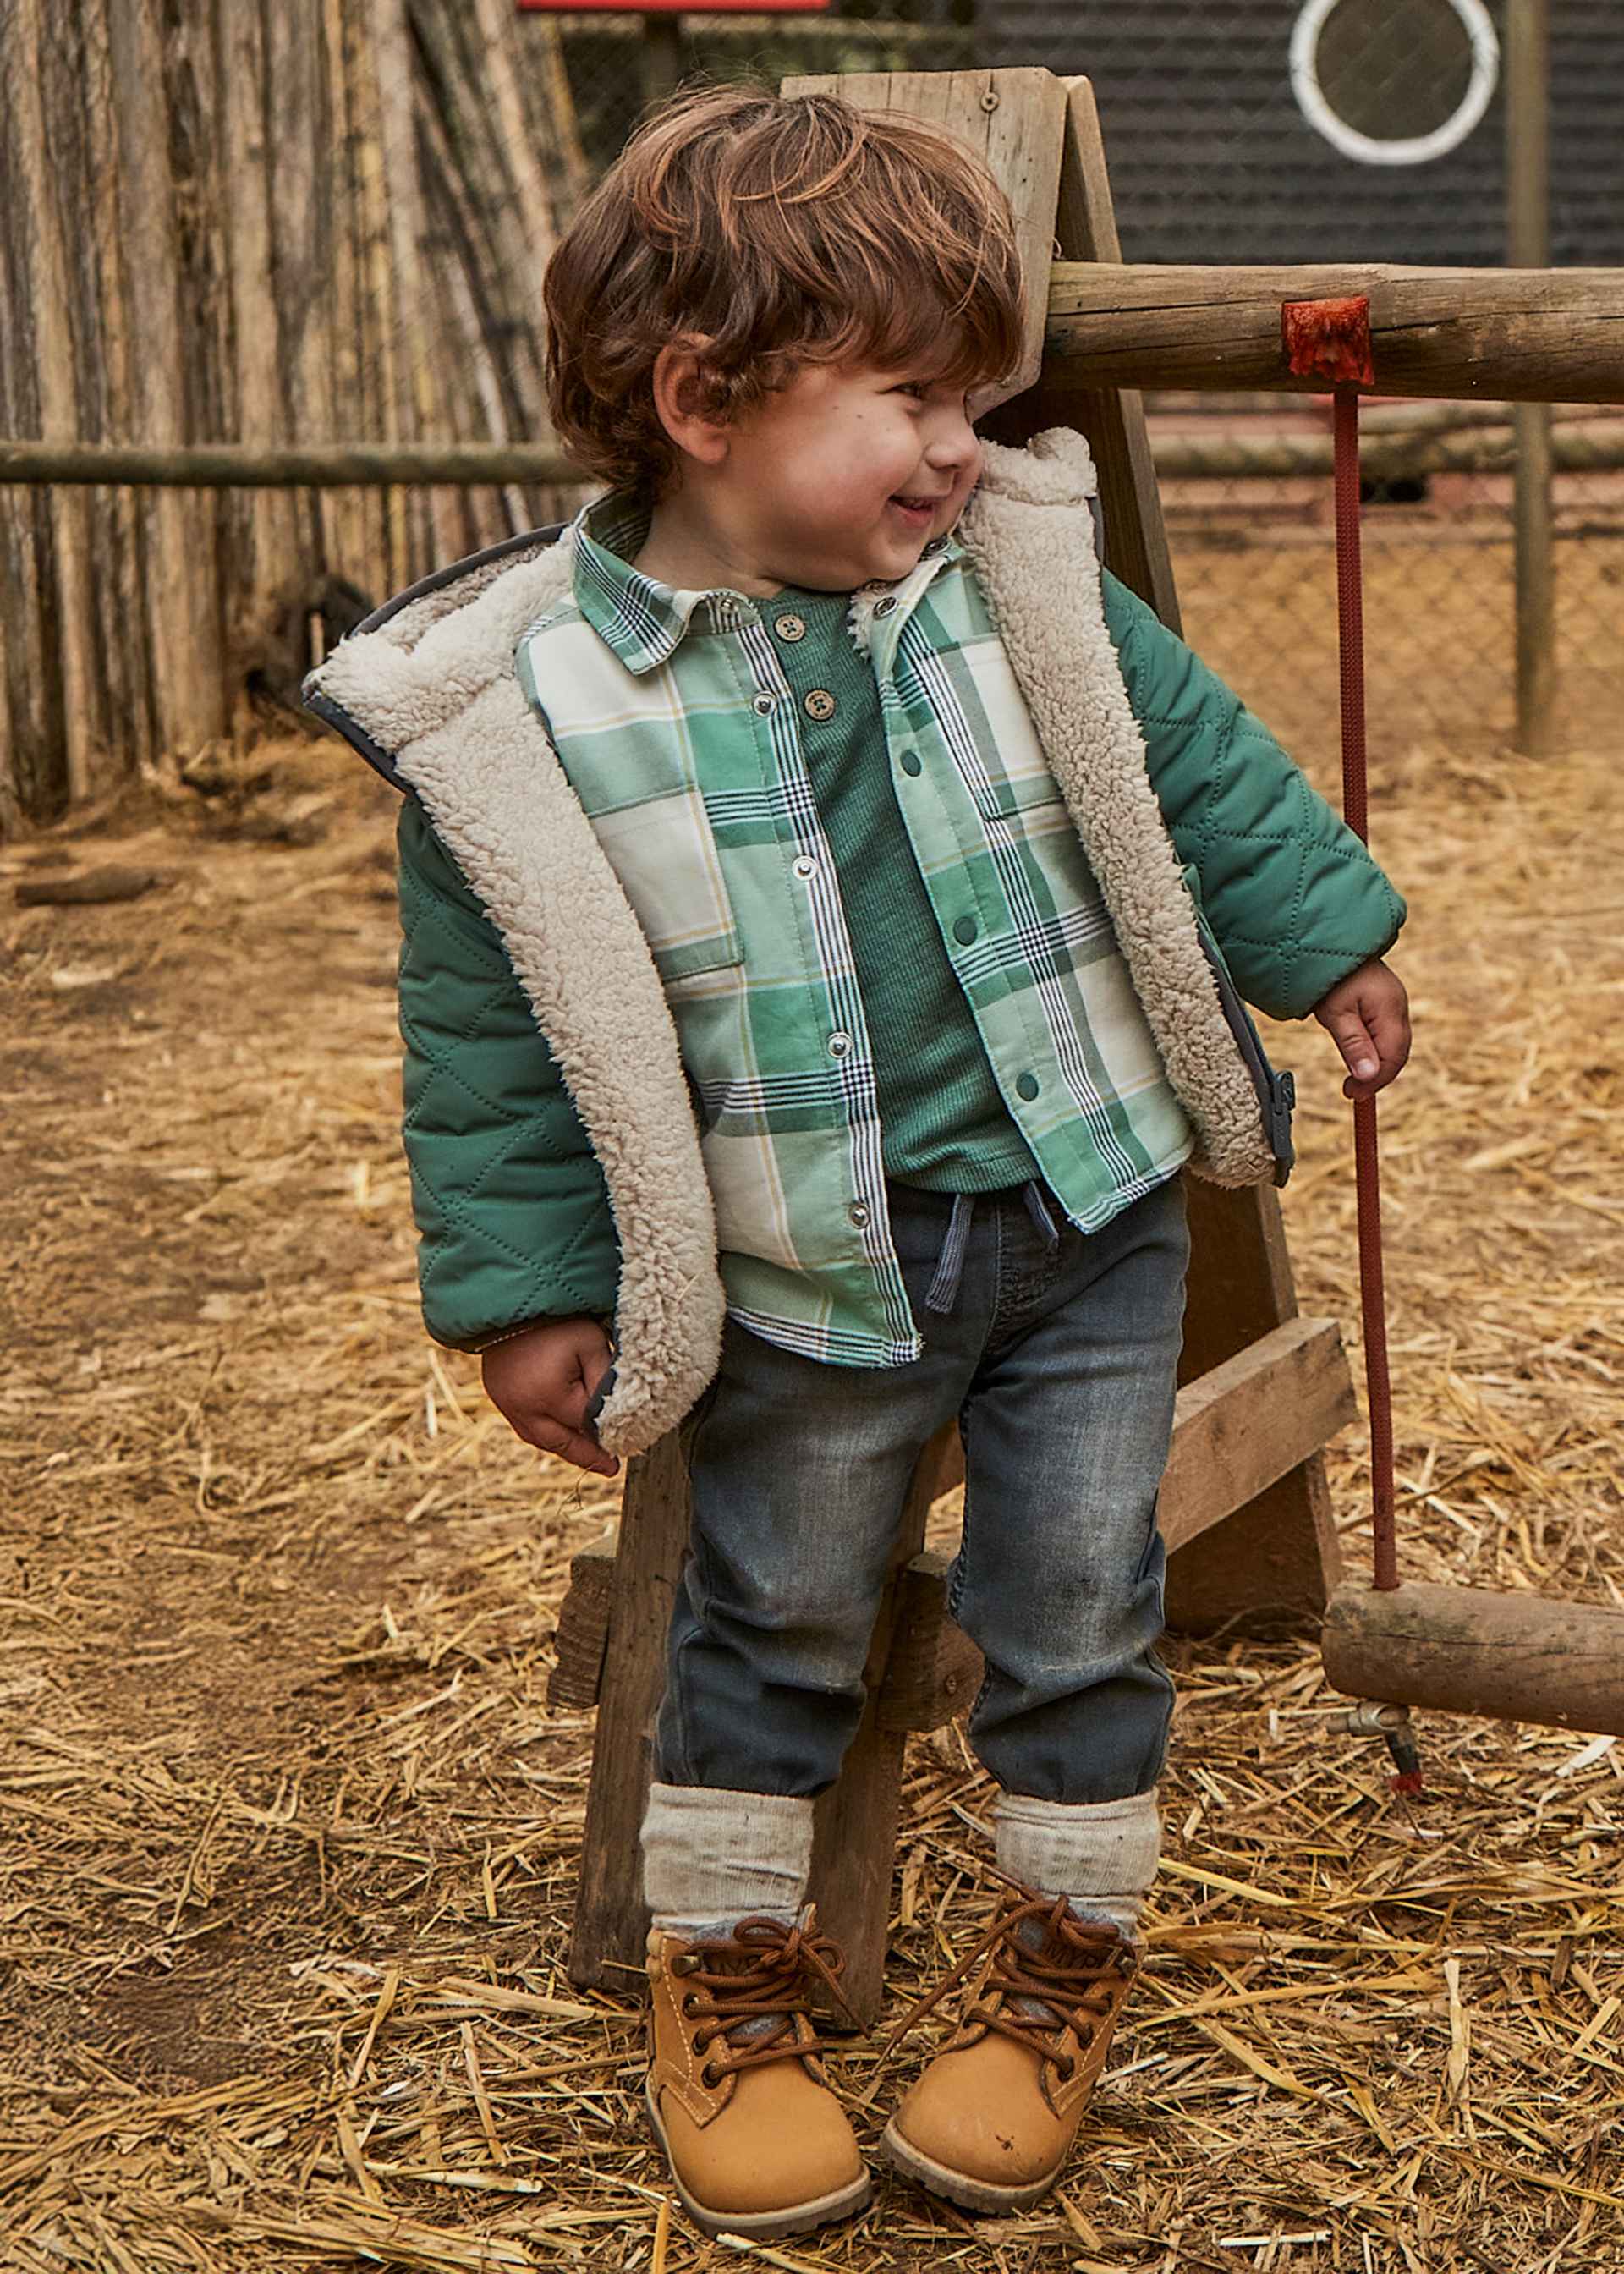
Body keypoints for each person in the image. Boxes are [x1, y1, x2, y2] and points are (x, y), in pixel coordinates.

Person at [307, 81, 1410, 2244]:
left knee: (1083, 1609)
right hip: (804, 1267)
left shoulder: (1010, 576)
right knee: (782, 1615)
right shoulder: (521, 706)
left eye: (977, 398)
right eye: (909, 395)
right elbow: (493, 1022)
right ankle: (727, 1974)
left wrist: (1326, 932)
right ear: (702, 398)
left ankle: (1058, 1959)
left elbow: (1182, 759)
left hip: (1085, 1224)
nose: (955, 447)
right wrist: (526, 1283)